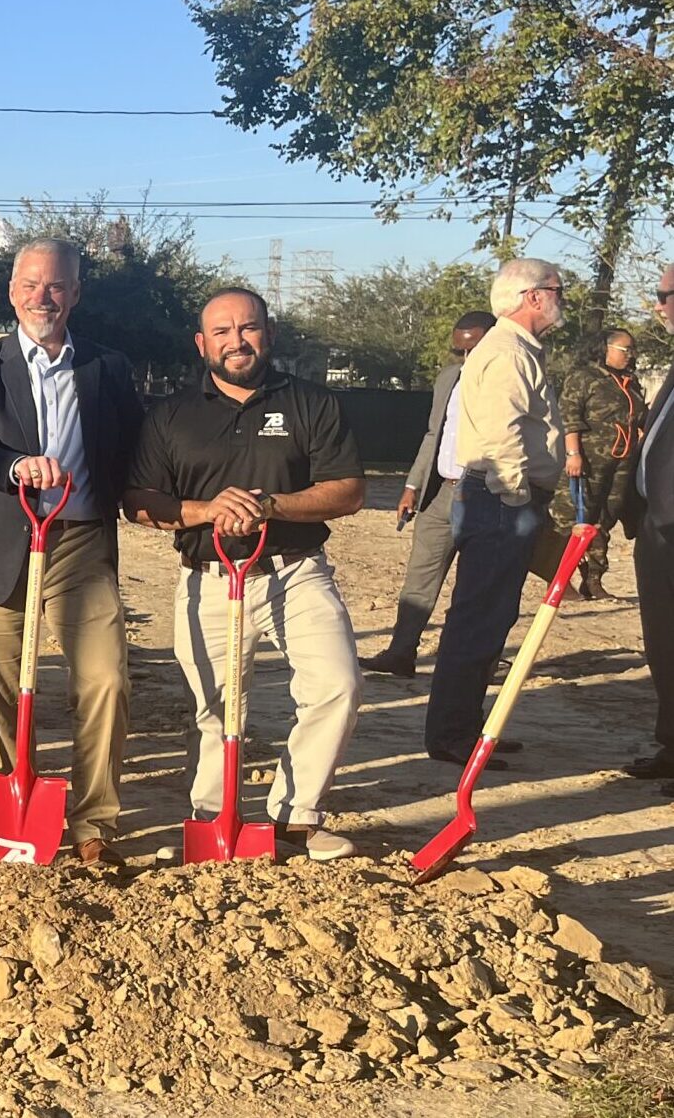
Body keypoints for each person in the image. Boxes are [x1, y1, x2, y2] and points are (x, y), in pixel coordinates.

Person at [124, 287, 366, 861]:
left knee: (338, 685)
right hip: (208, 577)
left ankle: (295, 817)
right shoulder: (170, 415)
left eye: (249, 328)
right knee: (214, 704)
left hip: (295, 571)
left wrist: (269, 505)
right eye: (223, 331)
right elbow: (138, 502)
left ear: (269, 333)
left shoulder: (311, 403)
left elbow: (349, 491)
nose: (237, 341)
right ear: (201, 343)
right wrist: (210, 509)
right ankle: (212, 816)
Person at [0, 239, 145, 866]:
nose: (41, 297)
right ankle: (9, 797)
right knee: (2, 688)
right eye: (30, 285)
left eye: (55, 286)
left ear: (75, 293)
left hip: (79, 543)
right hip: (2, 539)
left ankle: (93, 821)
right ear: (12, 290)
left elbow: (137, 443)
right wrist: (15, 465)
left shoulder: (107, 367)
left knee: (105, 678)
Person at [424, 259, 567, 768]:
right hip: (500, 499)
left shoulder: (515, 349)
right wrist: (516, 496)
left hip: (497, 499)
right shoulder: (507, 352)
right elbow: (502, 432)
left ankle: (464, 726)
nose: (561, 298)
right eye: (557, 289)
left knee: (490, 614)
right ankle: (452, 734)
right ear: (532, 296)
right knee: (480, 617)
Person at [361, 310, 498, 676]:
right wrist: (412, 485)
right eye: (460, 351)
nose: (467, 358)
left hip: (485, 497)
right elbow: (432, 436)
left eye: (475, 348)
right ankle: (401, 653)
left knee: (475, 587)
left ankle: (466, 663)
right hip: (440, 495)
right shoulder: (448, 379)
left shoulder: (508, 384)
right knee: (418, 580)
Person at [617, 266, 674, 786]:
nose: (657, 306)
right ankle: (670, 744)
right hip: (657, 528)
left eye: (664, 296)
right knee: (662, 642)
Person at [559, 326, 644, 599]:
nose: (630, 356)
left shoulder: (631, 382)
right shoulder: (584, 378)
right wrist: (574, 454)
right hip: (588, 462)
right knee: (573, 518)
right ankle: (559, 578)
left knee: (604, 520)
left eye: (632, 350)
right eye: (624, 350)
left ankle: (593, 580)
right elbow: (570, 417)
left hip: (621, 463)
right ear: (604, 349)